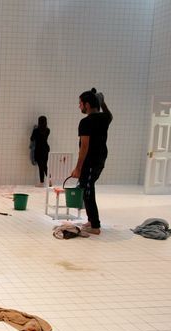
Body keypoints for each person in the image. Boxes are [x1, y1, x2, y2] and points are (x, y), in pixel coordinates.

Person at [71, 88, 113, 235]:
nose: (79, 106)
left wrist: (78, 168)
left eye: (80, 103)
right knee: (87, 187)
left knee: (88, 191)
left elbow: (84, 146)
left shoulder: (86, 122)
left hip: (90, 161)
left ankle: (95, 226)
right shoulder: (104, 118)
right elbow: (109, 115)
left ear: (87, 105)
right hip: (100, 159)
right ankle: (91, 220)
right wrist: (103, 102)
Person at [30, 116, 50, 187]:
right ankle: (50, 181)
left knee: (40, 166)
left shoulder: (36, 130)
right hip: (46, 149)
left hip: (38, 149)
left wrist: (34, 130)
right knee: (45, 166)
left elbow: (32, 139)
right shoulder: (48, 130)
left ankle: (42, 182)